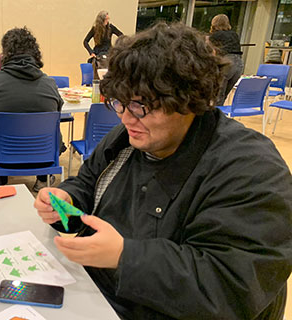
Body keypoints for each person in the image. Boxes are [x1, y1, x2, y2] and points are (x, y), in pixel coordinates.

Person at [34, 23, 292, 320]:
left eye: (141, 105)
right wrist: (67, 200)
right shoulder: (126, 140)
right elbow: (88, 182)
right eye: (119, 103)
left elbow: (231, 285)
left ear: (189, 100)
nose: (126, 117)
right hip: (97, 296)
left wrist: (124, 257)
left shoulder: (251, 168)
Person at [0, 27, 64, 190]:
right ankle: (42, 180)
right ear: (35, 54)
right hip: (45, 157)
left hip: (2, 157)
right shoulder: (50, 84)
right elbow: (57, 113)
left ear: (5, 55)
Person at [208, 14, 244, 106]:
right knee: (223, 97)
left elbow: (210, 52)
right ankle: (219, 116)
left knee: (217, 96)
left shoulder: (215, 36)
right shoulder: (234, 34)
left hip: (227, 63)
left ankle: (213, 118)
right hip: (239, 64)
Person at [83, 10, 123, 78]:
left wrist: (116, 48)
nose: (107, 21)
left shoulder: (111, 27)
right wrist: (91, 52)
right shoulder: (95, 29)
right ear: (102, 20)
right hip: (98, 53)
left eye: (108, 19)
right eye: (106, 19)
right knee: (97, 65)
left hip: (109, 52)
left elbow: (121, 36)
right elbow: (85, 41)